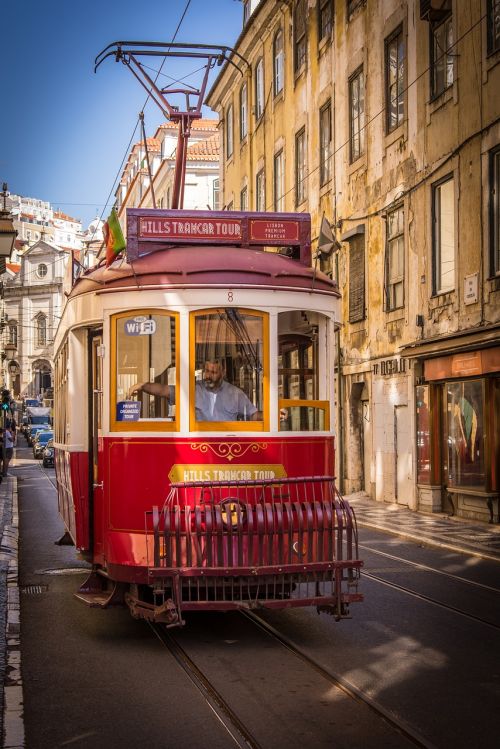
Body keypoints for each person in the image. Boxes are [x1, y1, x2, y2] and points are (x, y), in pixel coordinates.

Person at [129, 359, 261, 422]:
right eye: (207, 371)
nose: (208, 375)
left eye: (214, 372)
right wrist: (142, 385)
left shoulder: (235, 393)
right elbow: (164, 390)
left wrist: (274, 416)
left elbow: (253, 414)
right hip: (199, 446)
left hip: (226, 446)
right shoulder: (194, 389)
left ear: (223, 372)